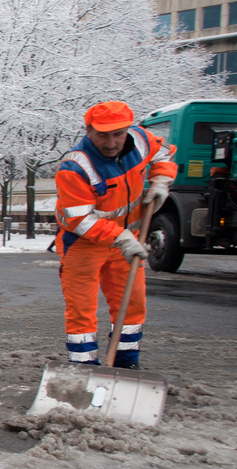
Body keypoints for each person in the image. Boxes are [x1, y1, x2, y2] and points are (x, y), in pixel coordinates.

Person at [53, 101, 175, 368]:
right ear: (88, 131)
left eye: (118, 134)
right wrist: (121, 239)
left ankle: (126, 362)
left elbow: (163, 155)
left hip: (128, 238)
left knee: (131, 303)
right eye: (103, 135)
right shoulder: (75, 168)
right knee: (82, 310)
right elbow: (80, 220)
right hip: (83, 244)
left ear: (128, 130)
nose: (111, 143)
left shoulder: (142, 140)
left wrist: (162, 180)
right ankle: (83, 367)